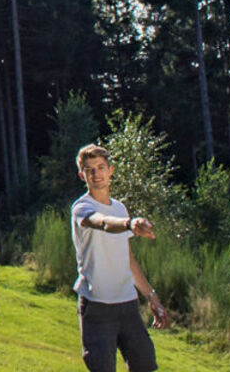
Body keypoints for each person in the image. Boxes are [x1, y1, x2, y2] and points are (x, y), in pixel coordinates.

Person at [71, 144, 171, 372]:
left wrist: (151, 296)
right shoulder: (81, 208)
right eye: (90, 170)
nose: (96, 174)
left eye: (100, 167)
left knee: (145, 365)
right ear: (82, 175)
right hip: (96, 306)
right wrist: (130, 224)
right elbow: (102, 223)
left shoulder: (120, 208)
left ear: (111, 170)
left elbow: (127, 259)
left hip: (127, 306)